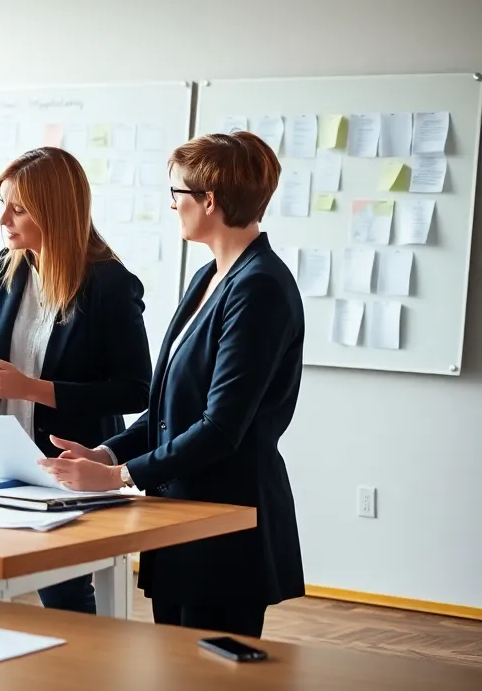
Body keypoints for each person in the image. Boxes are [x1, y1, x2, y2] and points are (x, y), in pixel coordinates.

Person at [40, 130, 305, 639]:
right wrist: (107, 453)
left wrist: (118, 477)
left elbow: (220, 427)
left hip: (225, 524)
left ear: (210, 200)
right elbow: (170, 407)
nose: (171, 205)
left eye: (177, 193)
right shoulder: (210, 276)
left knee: (213, 680)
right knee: (179, 673)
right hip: (181, 515)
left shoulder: (259, 287)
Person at [0, 146, 151, 615]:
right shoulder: (8, 267)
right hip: (2, 465)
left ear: (54, 211)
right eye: (3, 204)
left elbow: (136, 389)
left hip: (69, 464)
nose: (4, 219)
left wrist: (30, 389)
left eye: (18, 208)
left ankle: (82, 663)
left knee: (64, 591)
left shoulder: (110, 284)